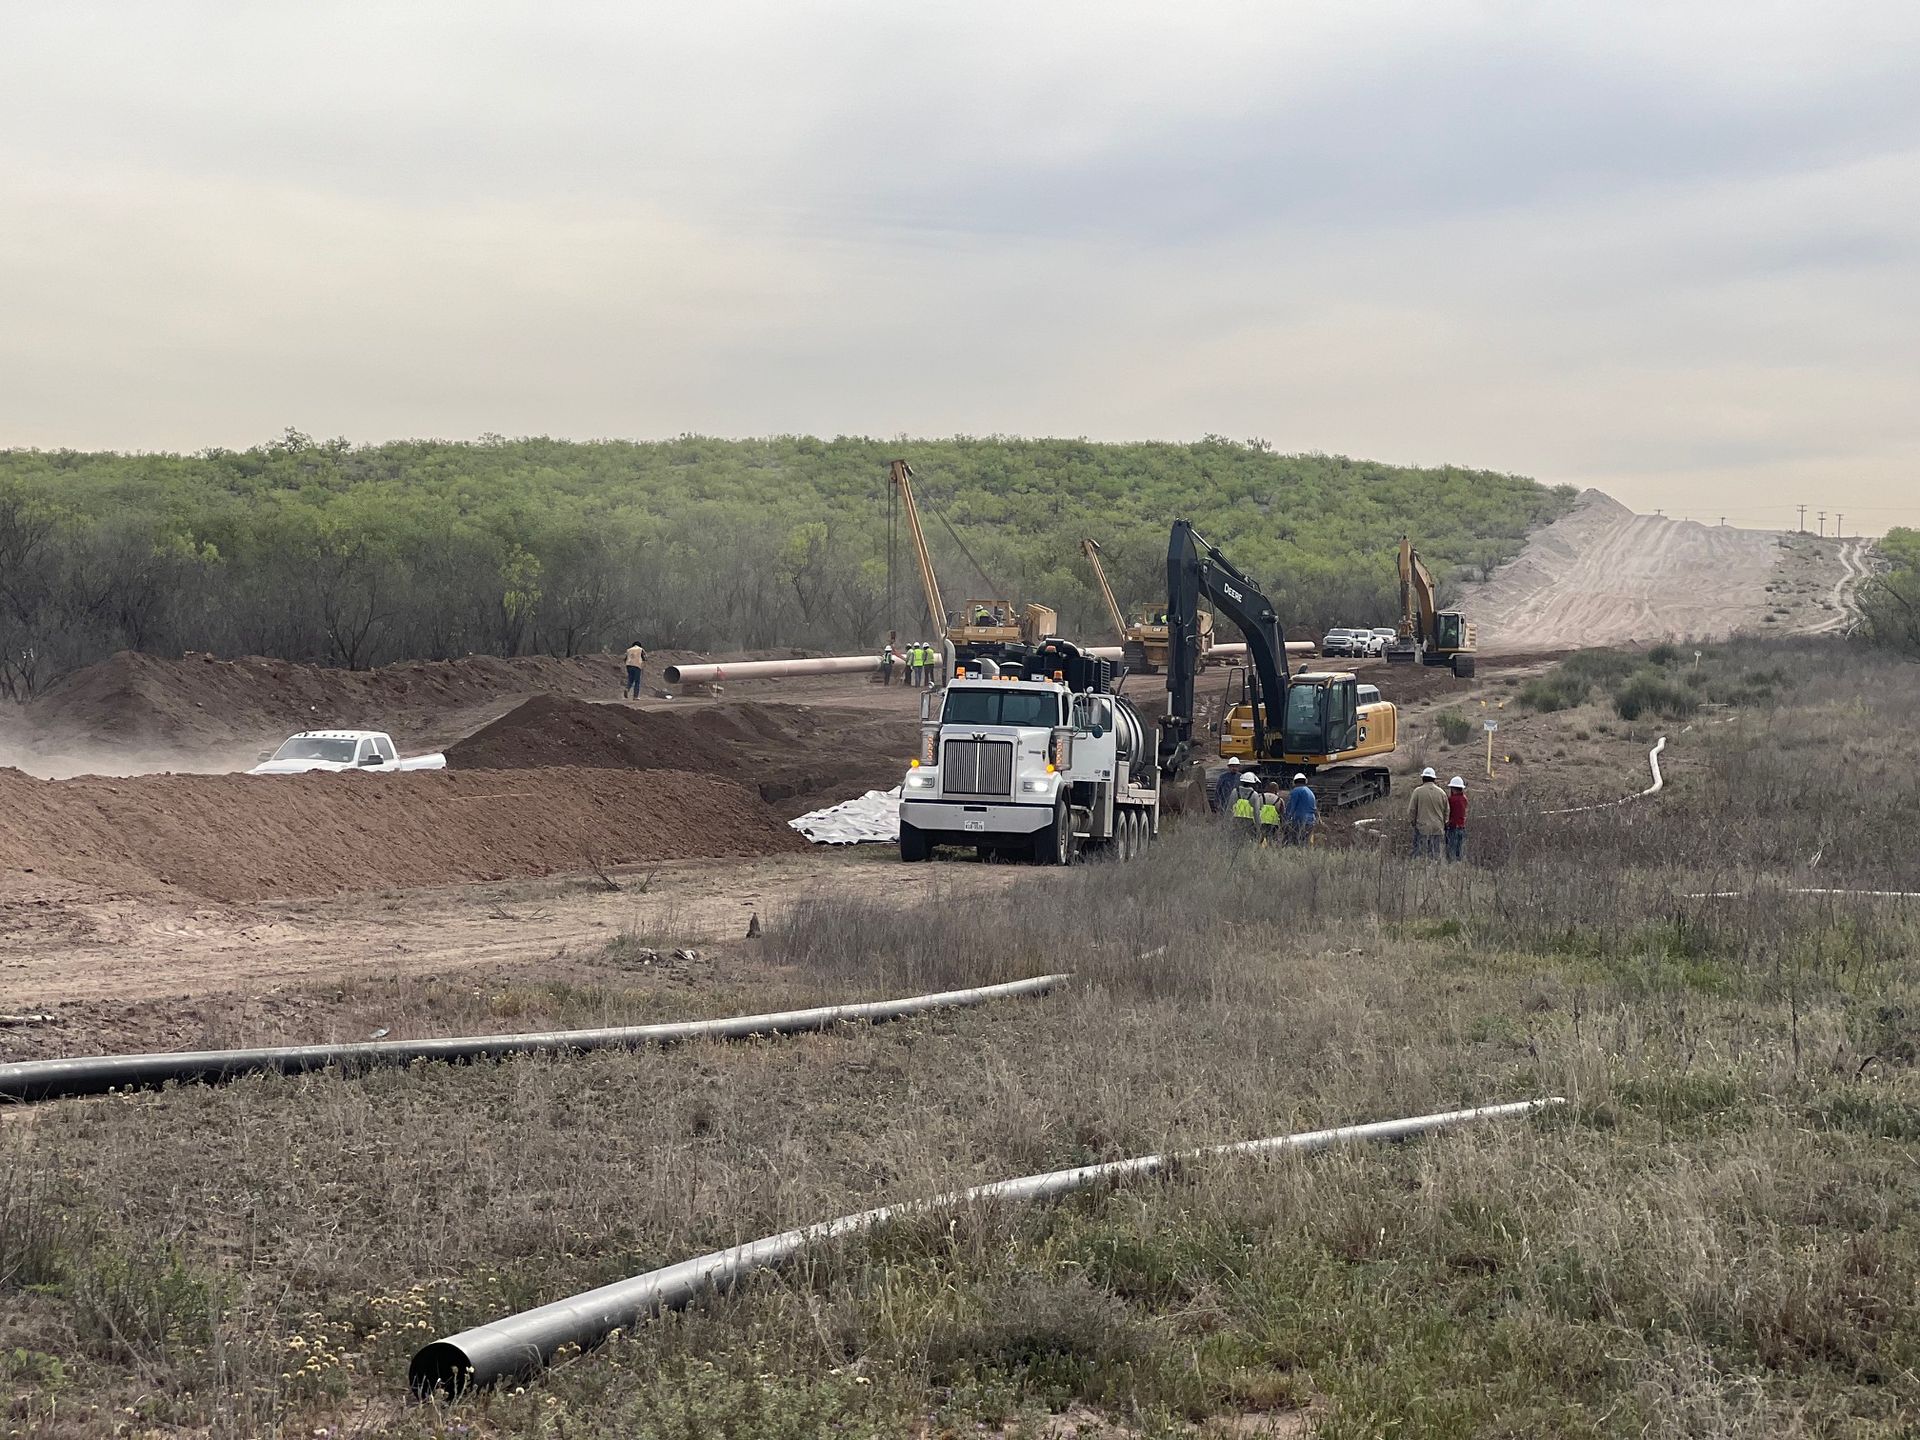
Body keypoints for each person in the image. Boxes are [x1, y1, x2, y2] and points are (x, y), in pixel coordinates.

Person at [1409, 766, 1448, 859]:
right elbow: (1447, 811)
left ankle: (1421, 868)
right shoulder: (1442, 793)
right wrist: (1443, 823)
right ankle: (1434, 870)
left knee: (1420, 854)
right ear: (1434, 779)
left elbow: (1411, 810)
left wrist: (1413, 822)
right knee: (1435, 854)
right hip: (1437, 828)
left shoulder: (1417, 791)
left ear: (1423, 778)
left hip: (1422, 827)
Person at [1283, 772, 1318, 846]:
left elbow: (1291, 807)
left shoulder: (1295, 791)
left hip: (1299, 820)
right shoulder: (1310, 792)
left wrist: (1285, 820)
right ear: (1305, 781)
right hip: (1311, 821)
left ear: (1294, 782)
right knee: (1305, 842)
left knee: (1296, 841)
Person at [1445, 775, 1468, 862]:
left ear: (1453, 788)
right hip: (1462, 828)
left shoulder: (1451, 800)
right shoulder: (1464, 799)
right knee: (1459, 852)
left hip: (1452, 828)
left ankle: (1451, 869)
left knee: (1451, 852)